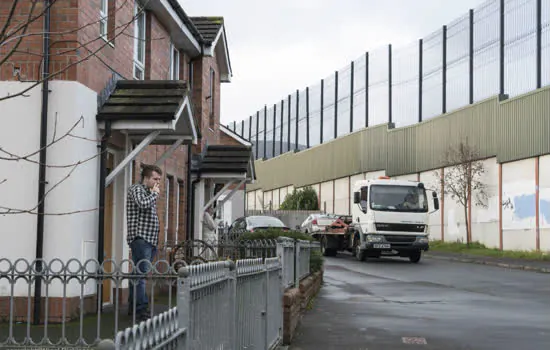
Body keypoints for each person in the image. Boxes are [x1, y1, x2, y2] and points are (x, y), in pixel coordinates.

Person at [126, 164, 162, 321]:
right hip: (141, 238)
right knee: (140, 275)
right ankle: (141, 309)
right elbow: (142, 204)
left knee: (137, 274)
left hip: (149, 240)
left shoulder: (148, 192)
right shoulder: (137, 189)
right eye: (155, 179)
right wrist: (154, 194)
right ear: (146, 178)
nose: (157, 183)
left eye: (159, 180)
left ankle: (133, 307)